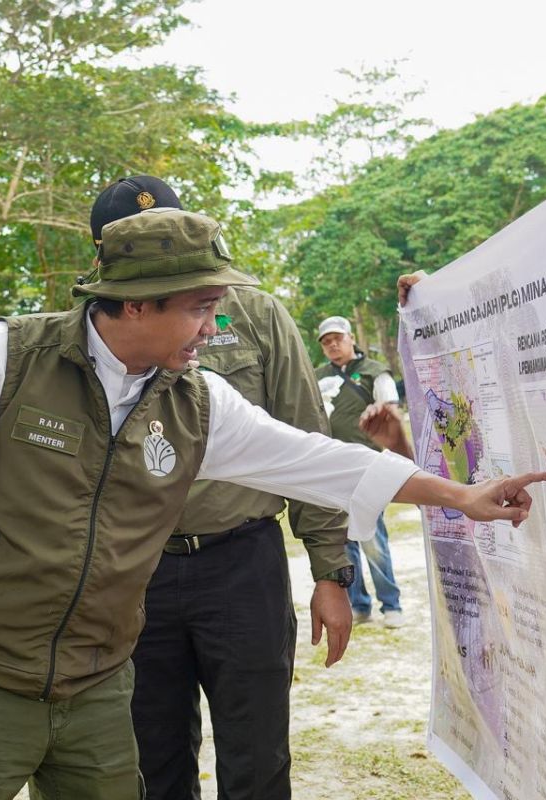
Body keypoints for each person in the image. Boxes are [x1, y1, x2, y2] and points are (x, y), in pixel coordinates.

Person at [0, 207, 546, 799]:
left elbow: (318, 461)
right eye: (199, 307)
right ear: (137, 304)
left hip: (98, 683)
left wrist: (459, 495)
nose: (212, 325)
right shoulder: (5, 358)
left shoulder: (195, 403)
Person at [88, 177, 354, 800]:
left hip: (241, 564)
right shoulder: (88, 335)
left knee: (257, 755)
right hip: (135, 572)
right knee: (149, 757)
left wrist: (330, 572)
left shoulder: (255, 315)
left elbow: (307, 444)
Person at [315, 316, 404, 627]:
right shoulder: (318, 377)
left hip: (369, 467)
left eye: (338, 338)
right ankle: (359, 604)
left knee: (372, 538)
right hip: (333, 468)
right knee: (344, 541)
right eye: (326, 342)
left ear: (352, 338)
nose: (333, 345)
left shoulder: (374, 373)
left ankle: (391, 605)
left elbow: (391, 412)